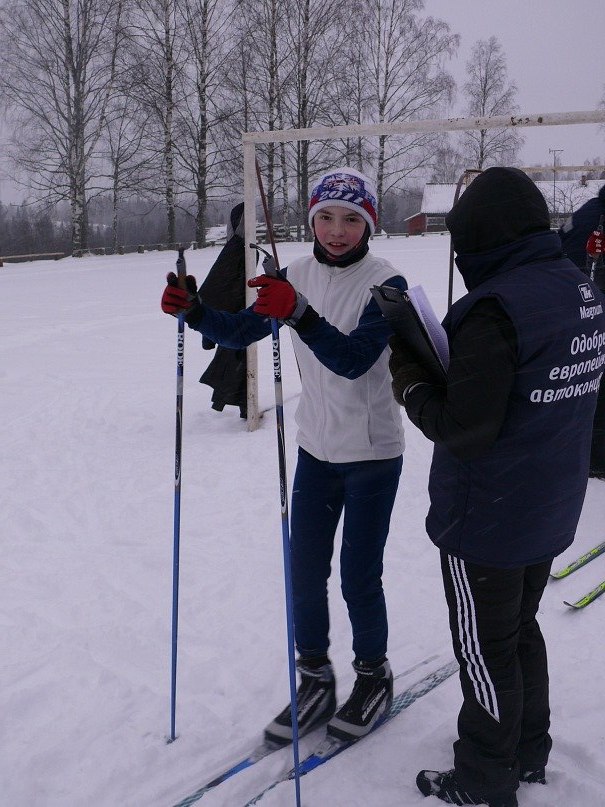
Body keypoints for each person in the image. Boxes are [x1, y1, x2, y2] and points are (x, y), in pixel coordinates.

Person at [161, 167, 407, 744]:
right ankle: (315, 677)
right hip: (316, 448)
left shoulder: (386, 283)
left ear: (369, 225)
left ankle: (374, 676)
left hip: (372, 453)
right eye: (326, 217)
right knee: (304, 571)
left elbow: (353, 361)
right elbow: (241, 331)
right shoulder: (294, 274)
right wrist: (195, 311)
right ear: (313, 219)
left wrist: (299, 313)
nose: (337, 231)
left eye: (352, 220)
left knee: (358, 576)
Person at [388, 167, 605, 807]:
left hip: (488, 518)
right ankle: (527, 750)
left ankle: (485, 778)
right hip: (548, 502)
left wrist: (410, 377)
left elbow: (463, 429)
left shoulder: (493, 308)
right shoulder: (577, 286)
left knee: (485, 651)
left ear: (482, 237)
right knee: (518, 631)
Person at [559, 182, 605, 478]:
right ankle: (596, 456)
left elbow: (559, 244)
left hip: (580, 308)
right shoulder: (593, 216)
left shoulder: (587, 212)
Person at [198, 202, 248, 419]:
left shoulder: (241, 248)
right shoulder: (236, 248)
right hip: (233, 315)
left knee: (238, 358)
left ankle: (241, 401)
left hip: (238, 314)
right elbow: (213, 288)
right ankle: (243, 402)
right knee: (236, 357)